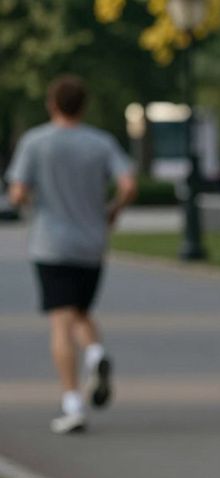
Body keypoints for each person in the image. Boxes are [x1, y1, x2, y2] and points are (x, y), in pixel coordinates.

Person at [4, 75, 136, 434]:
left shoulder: (36, 142)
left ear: (52, 103)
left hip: (51, 243)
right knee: (81, 311)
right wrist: (112, 211)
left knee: (61, 321)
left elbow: (17, 193)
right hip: (92, 243)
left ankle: (71, 403)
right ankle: (95, 354)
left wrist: (32, 202)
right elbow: (128, 183)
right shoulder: (100, 143)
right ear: (84, 105)